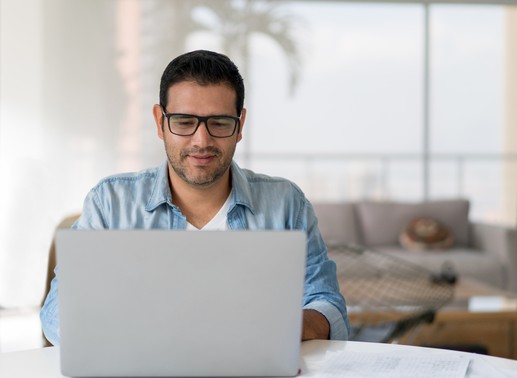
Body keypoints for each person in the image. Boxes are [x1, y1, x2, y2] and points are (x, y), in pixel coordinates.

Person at [40, 49, 349, 346]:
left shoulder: (286, 204)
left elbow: (328, 305)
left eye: (219, 123)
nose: (202, 141)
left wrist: (279, 326)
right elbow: (58, 312)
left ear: (240, 125)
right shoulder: (110, 203)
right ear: (160, 122)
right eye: (185, 122)